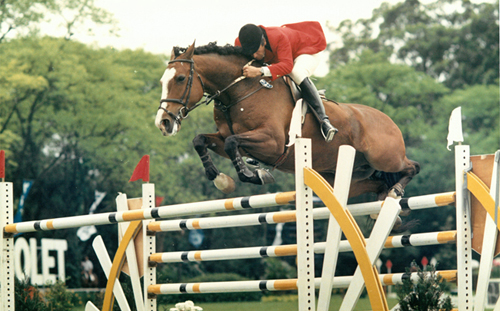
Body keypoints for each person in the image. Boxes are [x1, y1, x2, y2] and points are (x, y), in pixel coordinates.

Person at [235, 22, 338, 142]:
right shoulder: (240, 43)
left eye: (256, 51)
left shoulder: (277, 37)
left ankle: (324, 121)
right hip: (282, 57)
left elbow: (287, 66)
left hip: (305, 51)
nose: (254, 55)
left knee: (296, 72)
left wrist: (260, 71)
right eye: (250, 52)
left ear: (264, 42)